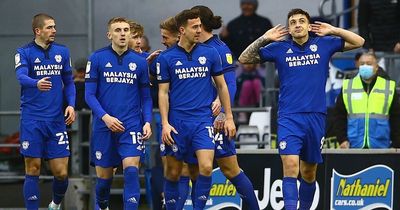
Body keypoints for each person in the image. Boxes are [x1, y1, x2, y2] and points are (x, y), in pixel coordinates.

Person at [238, 8, 364, 210]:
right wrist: (264, 38)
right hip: (289, 117)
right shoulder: (279, 48)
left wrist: (333, 29)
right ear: (289, 28)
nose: (297, 25)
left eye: (301, 21)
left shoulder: (324, 44)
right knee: (290, 166)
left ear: (308, 25)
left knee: (308, 172)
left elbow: (359, 42)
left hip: (316, 117)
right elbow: (244, 58)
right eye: (293, 22)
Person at [157, 8, 236, 210]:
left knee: (207, 168)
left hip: (202, 121)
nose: (199, 30)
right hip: (177, 123)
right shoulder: (166, 58)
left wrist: (228, 117)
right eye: (195, 27)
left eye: (200, 26)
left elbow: (222, 86)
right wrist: (165, 124)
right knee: (173, 173)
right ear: (182, 30)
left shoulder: (210, 53)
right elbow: (163, 93)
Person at [184, 5, 260, 210]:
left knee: (230, 169)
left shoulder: (218, 48)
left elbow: (230, 83)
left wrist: (225, 113)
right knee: (193, 171)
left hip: (213, 119)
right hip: (193, 120)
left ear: (201, 23)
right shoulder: (189, 47)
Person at [85, 17, 152, 210]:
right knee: (104, 180)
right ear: (109, 35)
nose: (122, 34)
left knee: (131, 171)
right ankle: (103, 205)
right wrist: (105, 118)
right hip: (103, 126)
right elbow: (89, 95)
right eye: (117, 30)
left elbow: (146, 97)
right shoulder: (97, 58)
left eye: (125, 30)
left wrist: (147, 121)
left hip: (131, 125)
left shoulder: (140, 62)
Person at [15, 13, 76, 210]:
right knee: (32, 169)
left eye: (54, 27)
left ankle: (55, 204)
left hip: (56, 120)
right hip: (32, 120)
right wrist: (36, 83)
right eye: (49, 27)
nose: (54, 31)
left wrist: (71, 104)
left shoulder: (62, 52)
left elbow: (69, 81)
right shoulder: (23, 52)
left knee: (61, 174)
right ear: (37, 31)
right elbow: (21, 75)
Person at [334, 52, 400, 149]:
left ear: (376, 67)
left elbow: (396, 117)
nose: (365, 66)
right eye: (362, 64)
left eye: (369, 64)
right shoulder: (348, 86)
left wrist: (396, 143)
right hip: (353, 145)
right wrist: (342, 139)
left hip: (382, 145)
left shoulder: (388, 87)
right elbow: (339, 116)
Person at [358, 0, 400, 82]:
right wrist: (368, 46)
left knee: (396, 84)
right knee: (376, 82)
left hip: (397, 50)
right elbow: (362, 24)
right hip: (375, 50)